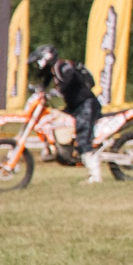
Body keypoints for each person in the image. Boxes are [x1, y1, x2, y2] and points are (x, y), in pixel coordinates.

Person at [31, 43, 108, 182]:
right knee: (58, 121)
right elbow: (43, 83)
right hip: (75, 106)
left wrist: (58, 91)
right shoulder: (52, 71)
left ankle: (95, 175)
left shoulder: (62, 67)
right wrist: (38, 90)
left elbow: (71, 75)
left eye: (39, 59)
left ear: (47, 57)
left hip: (86, 105)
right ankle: (60, 150)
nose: (38, 63)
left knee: (83, 137)